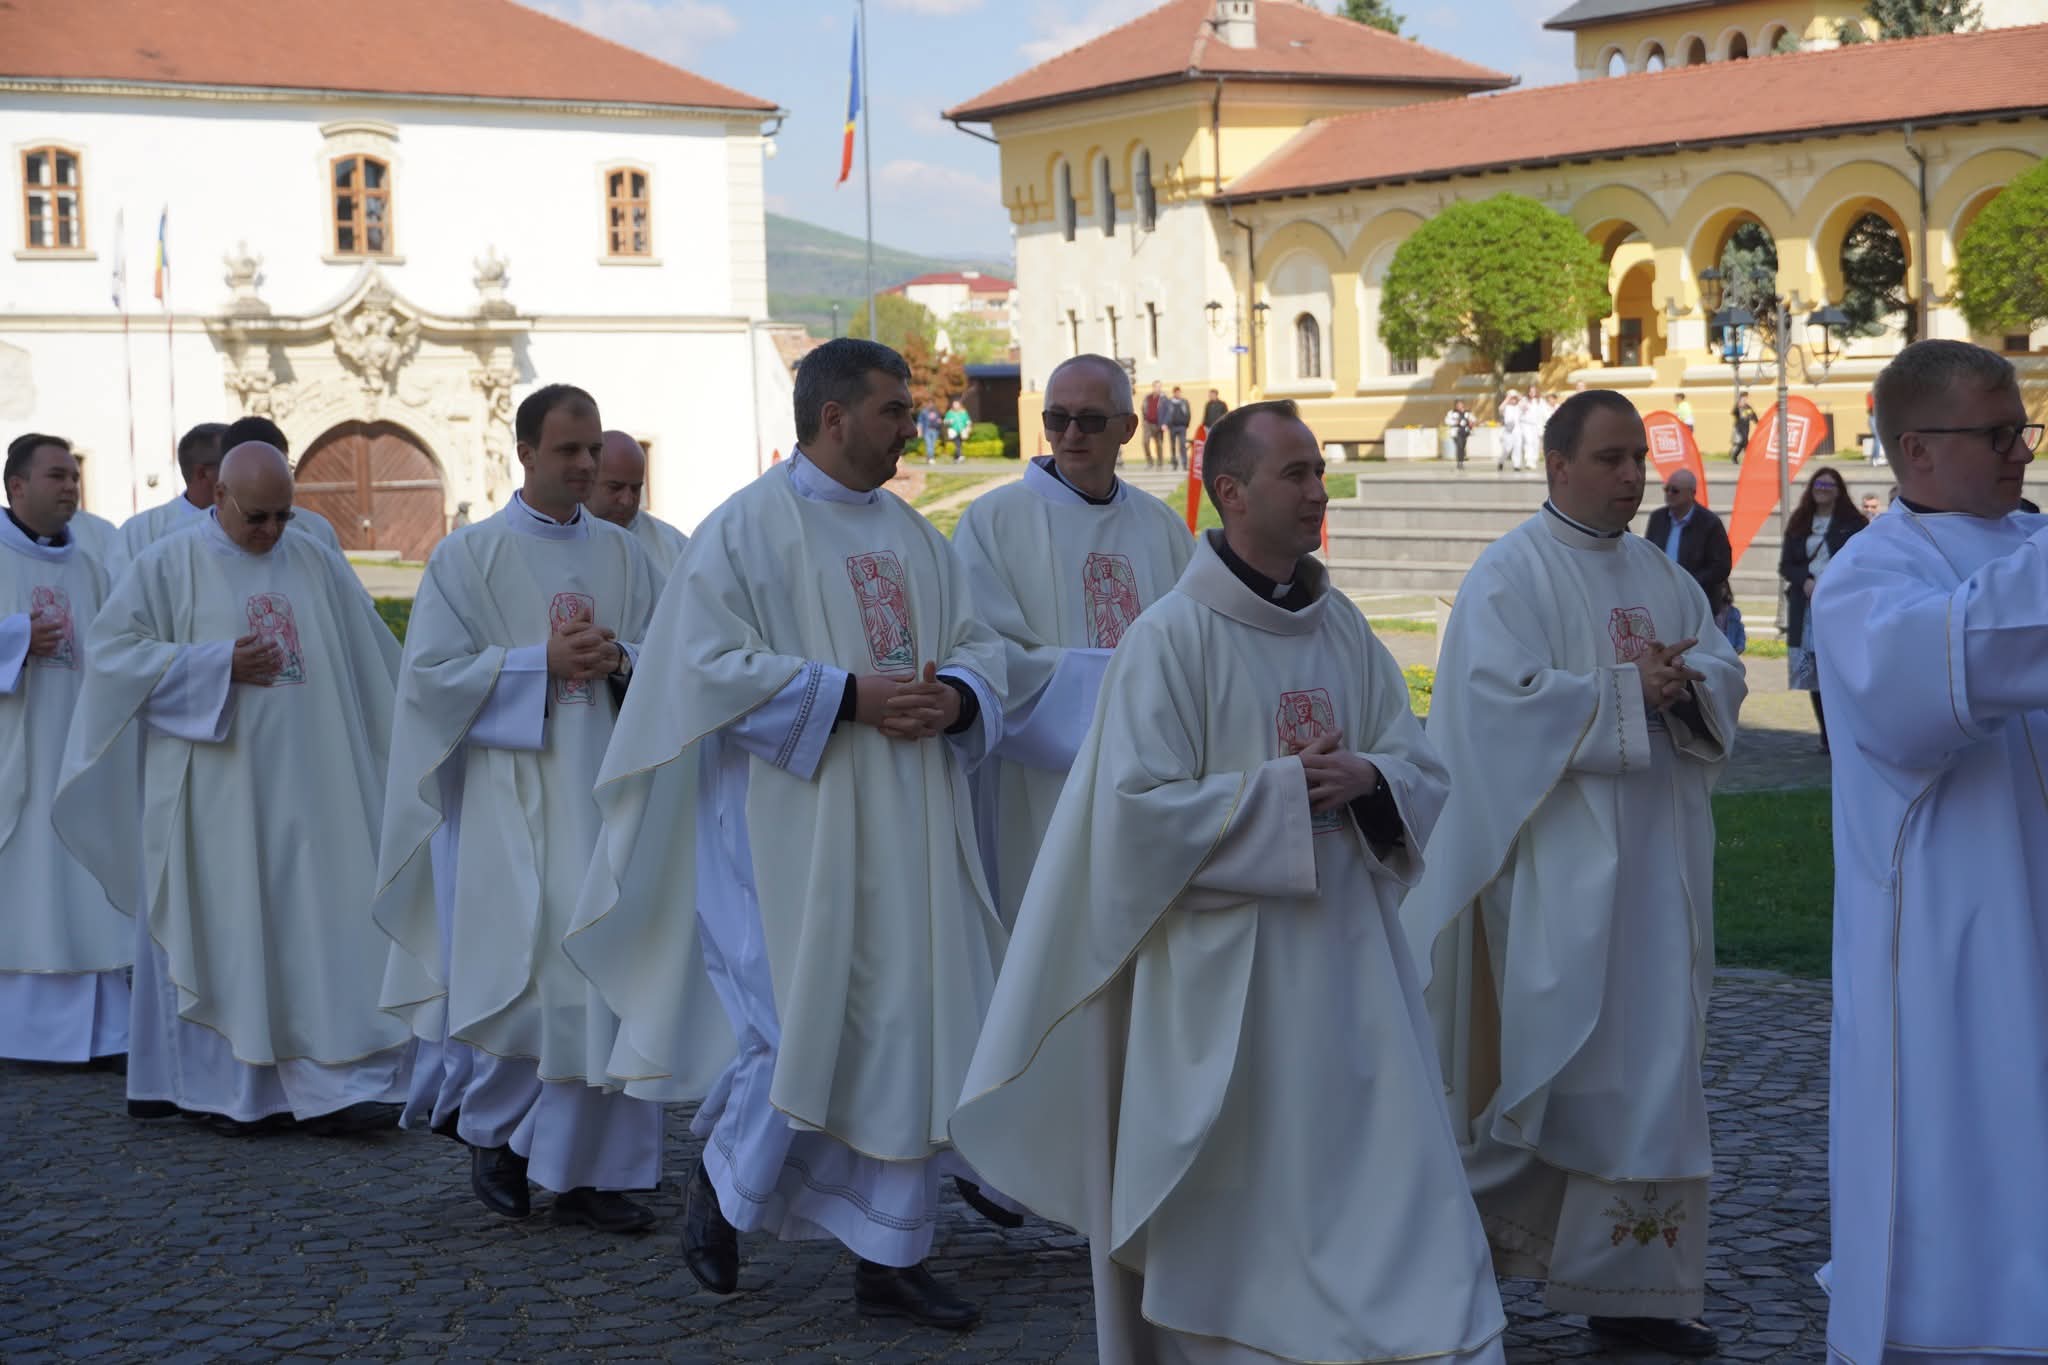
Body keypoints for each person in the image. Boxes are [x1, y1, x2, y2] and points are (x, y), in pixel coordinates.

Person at [954, 399, 1505, 1365]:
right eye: (1297, 474)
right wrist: (1284, 794)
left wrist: (1370, 777)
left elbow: (1417, 762)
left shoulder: (1343, 628)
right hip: (1226, 989)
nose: (1319, 491)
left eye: (1320, 471)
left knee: (1383, 1170)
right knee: (1247, 1194)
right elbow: (1133, 816)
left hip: (1353, 972)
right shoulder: (1171, 639)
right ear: (1232, 492)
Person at [571, 338, 1008, 1327]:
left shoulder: (914, 535)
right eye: (894, 411)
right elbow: (699, 669)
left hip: (911, 822)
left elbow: (981, 645)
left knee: (904, 1023)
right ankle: (724, 1188)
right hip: (787, 829)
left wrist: (959, 696)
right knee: (799, 1025)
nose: (911, 429)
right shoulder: (744, 531)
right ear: (833, 417)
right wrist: (847, 695)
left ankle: (891, 1255)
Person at [1403, 389, 1747, 1360]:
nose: (1631, 475)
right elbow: (1489, 707)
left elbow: (1722, 666)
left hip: (1657, 877)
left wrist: (1691, 686)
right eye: (1608, 458)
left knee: (1653, 1075)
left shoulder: (1660, 572)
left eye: (1637, 457)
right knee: (1554, 1073)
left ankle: (1635, 1292)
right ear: (1555, 465)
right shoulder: (1509, 575)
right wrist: (1625, 693)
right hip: (1557, 881)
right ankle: (1447, 1260)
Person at [54, 441, 411, 1136]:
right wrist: (214, 665)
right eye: (257, 517)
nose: (272, 530)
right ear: (217, 495)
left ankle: (330, 1084)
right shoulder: (167, 564)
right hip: (215, 794)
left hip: (316, 786)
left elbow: (374, 659)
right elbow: (113, 659)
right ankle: (229, 1092)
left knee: (315, 929)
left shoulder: (314, 559)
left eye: (284, 515)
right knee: (229, 929)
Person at [373, 384, 665, 1232]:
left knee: (608, 976)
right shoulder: (468, 558)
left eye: (593, 449)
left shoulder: (627, 556)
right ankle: (498, 1133)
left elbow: (671, 657)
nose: (586, 464)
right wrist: (537, 664)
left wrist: (622, 659)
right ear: (526, 453)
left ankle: (591, 1175)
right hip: (510, 798)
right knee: (529, 979)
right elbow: (429, 682)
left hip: (607, 794)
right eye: (568, 450)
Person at [1812, 339, 2048, 1365]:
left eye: (2023, 429)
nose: (2020, 452)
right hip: (1960, 942)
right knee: (1974, 1159)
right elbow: (1961, 664)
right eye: (1996, 434)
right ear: (1914, 448)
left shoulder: (2028, 541)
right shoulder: (1867, 581)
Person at [952, 354, 1192, 931]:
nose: (1071, 434)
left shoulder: (1162, 527)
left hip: (1149, 782)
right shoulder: (992, 522)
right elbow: (985, 657)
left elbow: (1198, 649)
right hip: (1034, 787)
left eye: (1089, 420)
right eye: (1057, 419)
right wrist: (1129, 688)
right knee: (1046, 933)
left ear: (1128, 428)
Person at [0, 434, 130, 1066]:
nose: (71, 487)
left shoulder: (93, 564)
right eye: (56, 476)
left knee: (83, 886)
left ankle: (106, 1033)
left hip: (78, 759)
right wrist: (15, 638)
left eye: (74, 476)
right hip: (14, 759)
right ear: (16, 485)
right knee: (26, 886)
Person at [1777, 465, 1865, 754]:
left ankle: (1848, 731)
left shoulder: (1854, 524)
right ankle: (1827, 736)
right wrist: (1804, 580)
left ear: (1838, 491)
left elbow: (1861, 562)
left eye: (1828, 486)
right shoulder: (1800, 522)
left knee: (1840, 670)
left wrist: (1833, 583)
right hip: (1807, 608)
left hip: (1841, 607)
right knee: (1815, 673)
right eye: (1818, 485)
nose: (1822, 490)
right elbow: (1787, 565)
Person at [585, 430, 687, 579]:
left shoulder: (675, 549)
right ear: (587, 480)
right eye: (615, 488)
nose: (627, 500)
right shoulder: (557, 539)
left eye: (635, 489)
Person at [1645, 469, 1732, 610]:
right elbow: (1648, 555)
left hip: (1697, 602)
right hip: (1661, 600)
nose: (1669, 494)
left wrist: (1689, 582)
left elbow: (1721, 567)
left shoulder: (1710, 523)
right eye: (1666, 489)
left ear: (1692, 493)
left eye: (1675, 490)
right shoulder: (1657, 518)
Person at [1165, 385, 1192, 469]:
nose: (1178, 394)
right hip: (1172, 427)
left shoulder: (1184, 402)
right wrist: (1167, 424)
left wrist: (1186, 424)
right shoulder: (1169, 402)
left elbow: (1188, 413)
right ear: (1174, 393)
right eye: (1176, 392)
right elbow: (1166, 413)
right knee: (1173, 446)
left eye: (1179, 392)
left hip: (1182, 427)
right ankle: (1174, 463)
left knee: (1182, 445)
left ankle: (1184, 463)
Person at [1497, 390, 1524, 471]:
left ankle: (1517, 465)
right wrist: (1508, 397)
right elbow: (1500, 408)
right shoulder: (1506, 407)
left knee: (1517, 447)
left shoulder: (1518, 406)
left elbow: (1526, 407)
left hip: (1517, 430)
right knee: (1507, 448)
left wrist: (1518, 396)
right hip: (1508, 430)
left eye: (1514, 398)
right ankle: (1501, 461)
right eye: (1512, 398)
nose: (1513, 400)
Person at [1141, 380, 1165, 468]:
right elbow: (1143, 408)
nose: (1157, 388)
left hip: (1158, 424)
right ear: (1153, 387)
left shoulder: (1163, 399)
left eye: (1159, 387)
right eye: (1156, 387)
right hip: (1148, 423)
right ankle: (1150, 461)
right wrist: (1144, 420)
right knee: (1145, 442)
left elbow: (1167, 411)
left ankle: (1160, 462)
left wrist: (1164, 423)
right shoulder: (1148, 397)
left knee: (1159, 444)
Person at [1730, 392, 1758, 465]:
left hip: (1746, 427)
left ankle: (1734, 456)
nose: (1745, 399)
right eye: (1743, 398)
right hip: (1739, 427)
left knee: (1742, 443)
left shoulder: (1748, 407)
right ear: (1740, 398)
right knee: (1745, 441)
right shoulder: (1738, 406)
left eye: (1746, 398)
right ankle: (1749, 458)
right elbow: (1733, 413)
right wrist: (1738, 407)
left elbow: (1753, 415)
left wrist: (1757, 422)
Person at [1449, 399, 1474, 470]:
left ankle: (1461, 462)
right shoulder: (1452, 413)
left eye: (1461, 404)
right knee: (1459, 446)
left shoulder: (1467, 412)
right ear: (1456, 406)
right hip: (1456, 433)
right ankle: (1459, 463)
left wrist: (1471, 422)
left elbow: (1473, 419)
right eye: (1458, 405)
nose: (1460, 406)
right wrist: (1455, 422)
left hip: (1465, 432)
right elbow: (1447, 421)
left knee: (1462, 447)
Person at [945, 398, 971, 463]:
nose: (955, 406)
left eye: (956, 404)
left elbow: (968, 421)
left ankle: (955, 458)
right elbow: (945, 422)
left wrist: (968, 428)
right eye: (954, 404)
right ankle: (960, 456)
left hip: (962, 431)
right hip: (953, 431)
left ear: (959, 405)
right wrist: (949, 421)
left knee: (959, 444)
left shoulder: (963, 412)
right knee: (957, 444)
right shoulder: (950, 413)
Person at [918, 401, 942, 465]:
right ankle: (931, 458)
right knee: (929, 445)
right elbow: (920, 422)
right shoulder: (923, 412)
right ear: (927, 405)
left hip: (935, 430)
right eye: (929, 404)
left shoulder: (936, 412)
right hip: (927, 430)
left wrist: (939, 422)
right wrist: (919, 431)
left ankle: (928, 458)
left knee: (932, 445)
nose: (931, 405)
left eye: (932, 404)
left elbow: (939, 420)